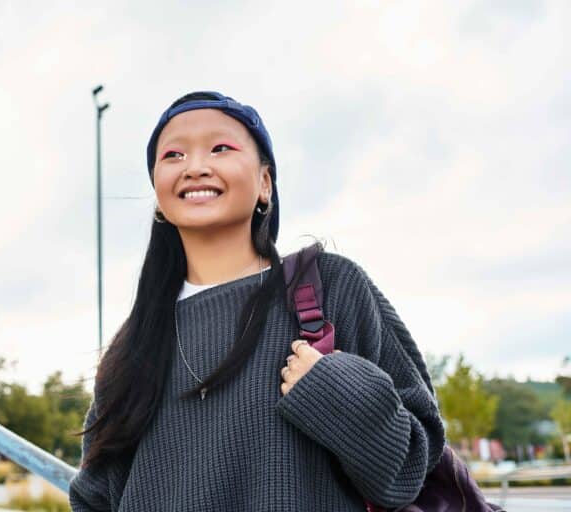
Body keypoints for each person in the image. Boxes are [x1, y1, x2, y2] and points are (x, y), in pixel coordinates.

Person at [68, 91, 445, 511]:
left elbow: (410, 466)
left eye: (220, 148)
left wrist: (335, 390)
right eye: (173, 155)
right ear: (159, 196)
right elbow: (93, 498)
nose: (195, 167)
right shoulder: (134, 343)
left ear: (265, 183)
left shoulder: (332, 286)